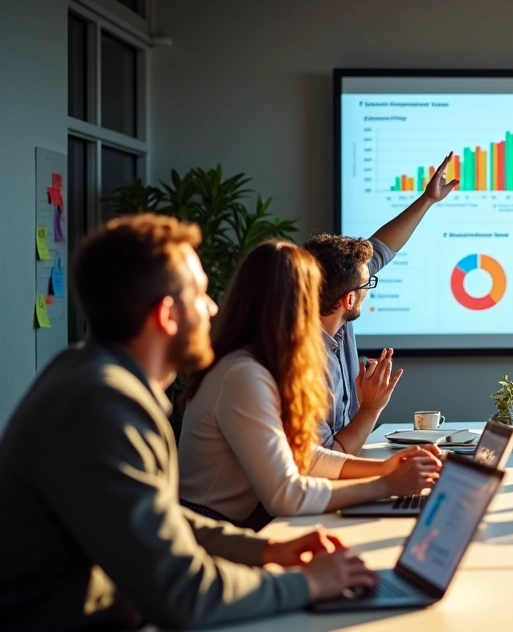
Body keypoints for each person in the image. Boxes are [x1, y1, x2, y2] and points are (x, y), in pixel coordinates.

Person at [0, 215, 379, 630]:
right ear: (167, 315)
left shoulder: (93, 378)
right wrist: (307, 584)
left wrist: (266, 550)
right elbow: (183, 595)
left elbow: (167, 518)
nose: (213, 307)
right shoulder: (102, 406)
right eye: (199, 294)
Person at [179, 240, 442, 530]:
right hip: (214, 533)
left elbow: (304, 456)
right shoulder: (243, 375)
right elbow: (286, 495)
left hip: (244, 524)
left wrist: (387, 468)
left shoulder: (261, 363)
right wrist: (385, 484)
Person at [305, 153, 458, 452]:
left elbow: (381, 249)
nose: (369, 284)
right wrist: (372, 408)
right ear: (348, 299)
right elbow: (327, 461)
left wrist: (427, 200)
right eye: (368, 283)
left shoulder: (334, 312)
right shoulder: (302, 361)